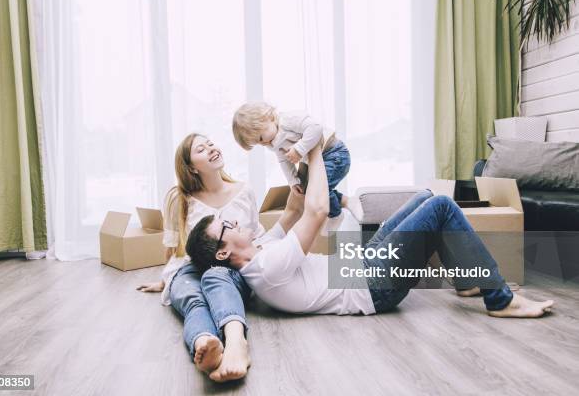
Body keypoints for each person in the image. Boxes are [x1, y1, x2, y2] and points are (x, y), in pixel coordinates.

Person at [185, 145, 554, 318]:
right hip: (373, 289)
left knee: (425, 197)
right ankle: (501, 300)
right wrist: (316, 154)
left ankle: (466, 280)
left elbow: (296, 209)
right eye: (227, 225)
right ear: (222, 252)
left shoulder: (263, 248)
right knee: (441, 207)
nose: (235, 222)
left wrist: (289, 160)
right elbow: (315, 212)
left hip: (361, 265)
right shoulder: (266, 268)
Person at [136, 133, 264, 382]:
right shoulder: (178, 198)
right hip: (191, 268)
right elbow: (173, 247)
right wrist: (165, 281)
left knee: (217, 276)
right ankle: (205, 344)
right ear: (191, 167)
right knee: (193, 298)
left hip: (231, 268)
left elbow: (255, 235)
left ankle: (237, 343)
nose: (211, 149)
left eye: (211, 144)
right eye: (201, 149)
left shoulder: (244, 190)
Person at [232, 101, 363, 224]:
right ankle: (347, 201)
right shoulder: (272, 142)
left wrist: (299, 149)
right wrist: (293, 181)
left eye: (260, 138)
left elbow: (315, 128)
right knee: (308, 192)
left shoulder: (287, 120)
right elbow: (284, 160)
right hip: (318, 162)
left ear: (267, 118)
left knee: (318, 190)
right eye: (258, 143)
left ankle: (336, 215)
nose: (263, 143)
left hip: (335, 154)